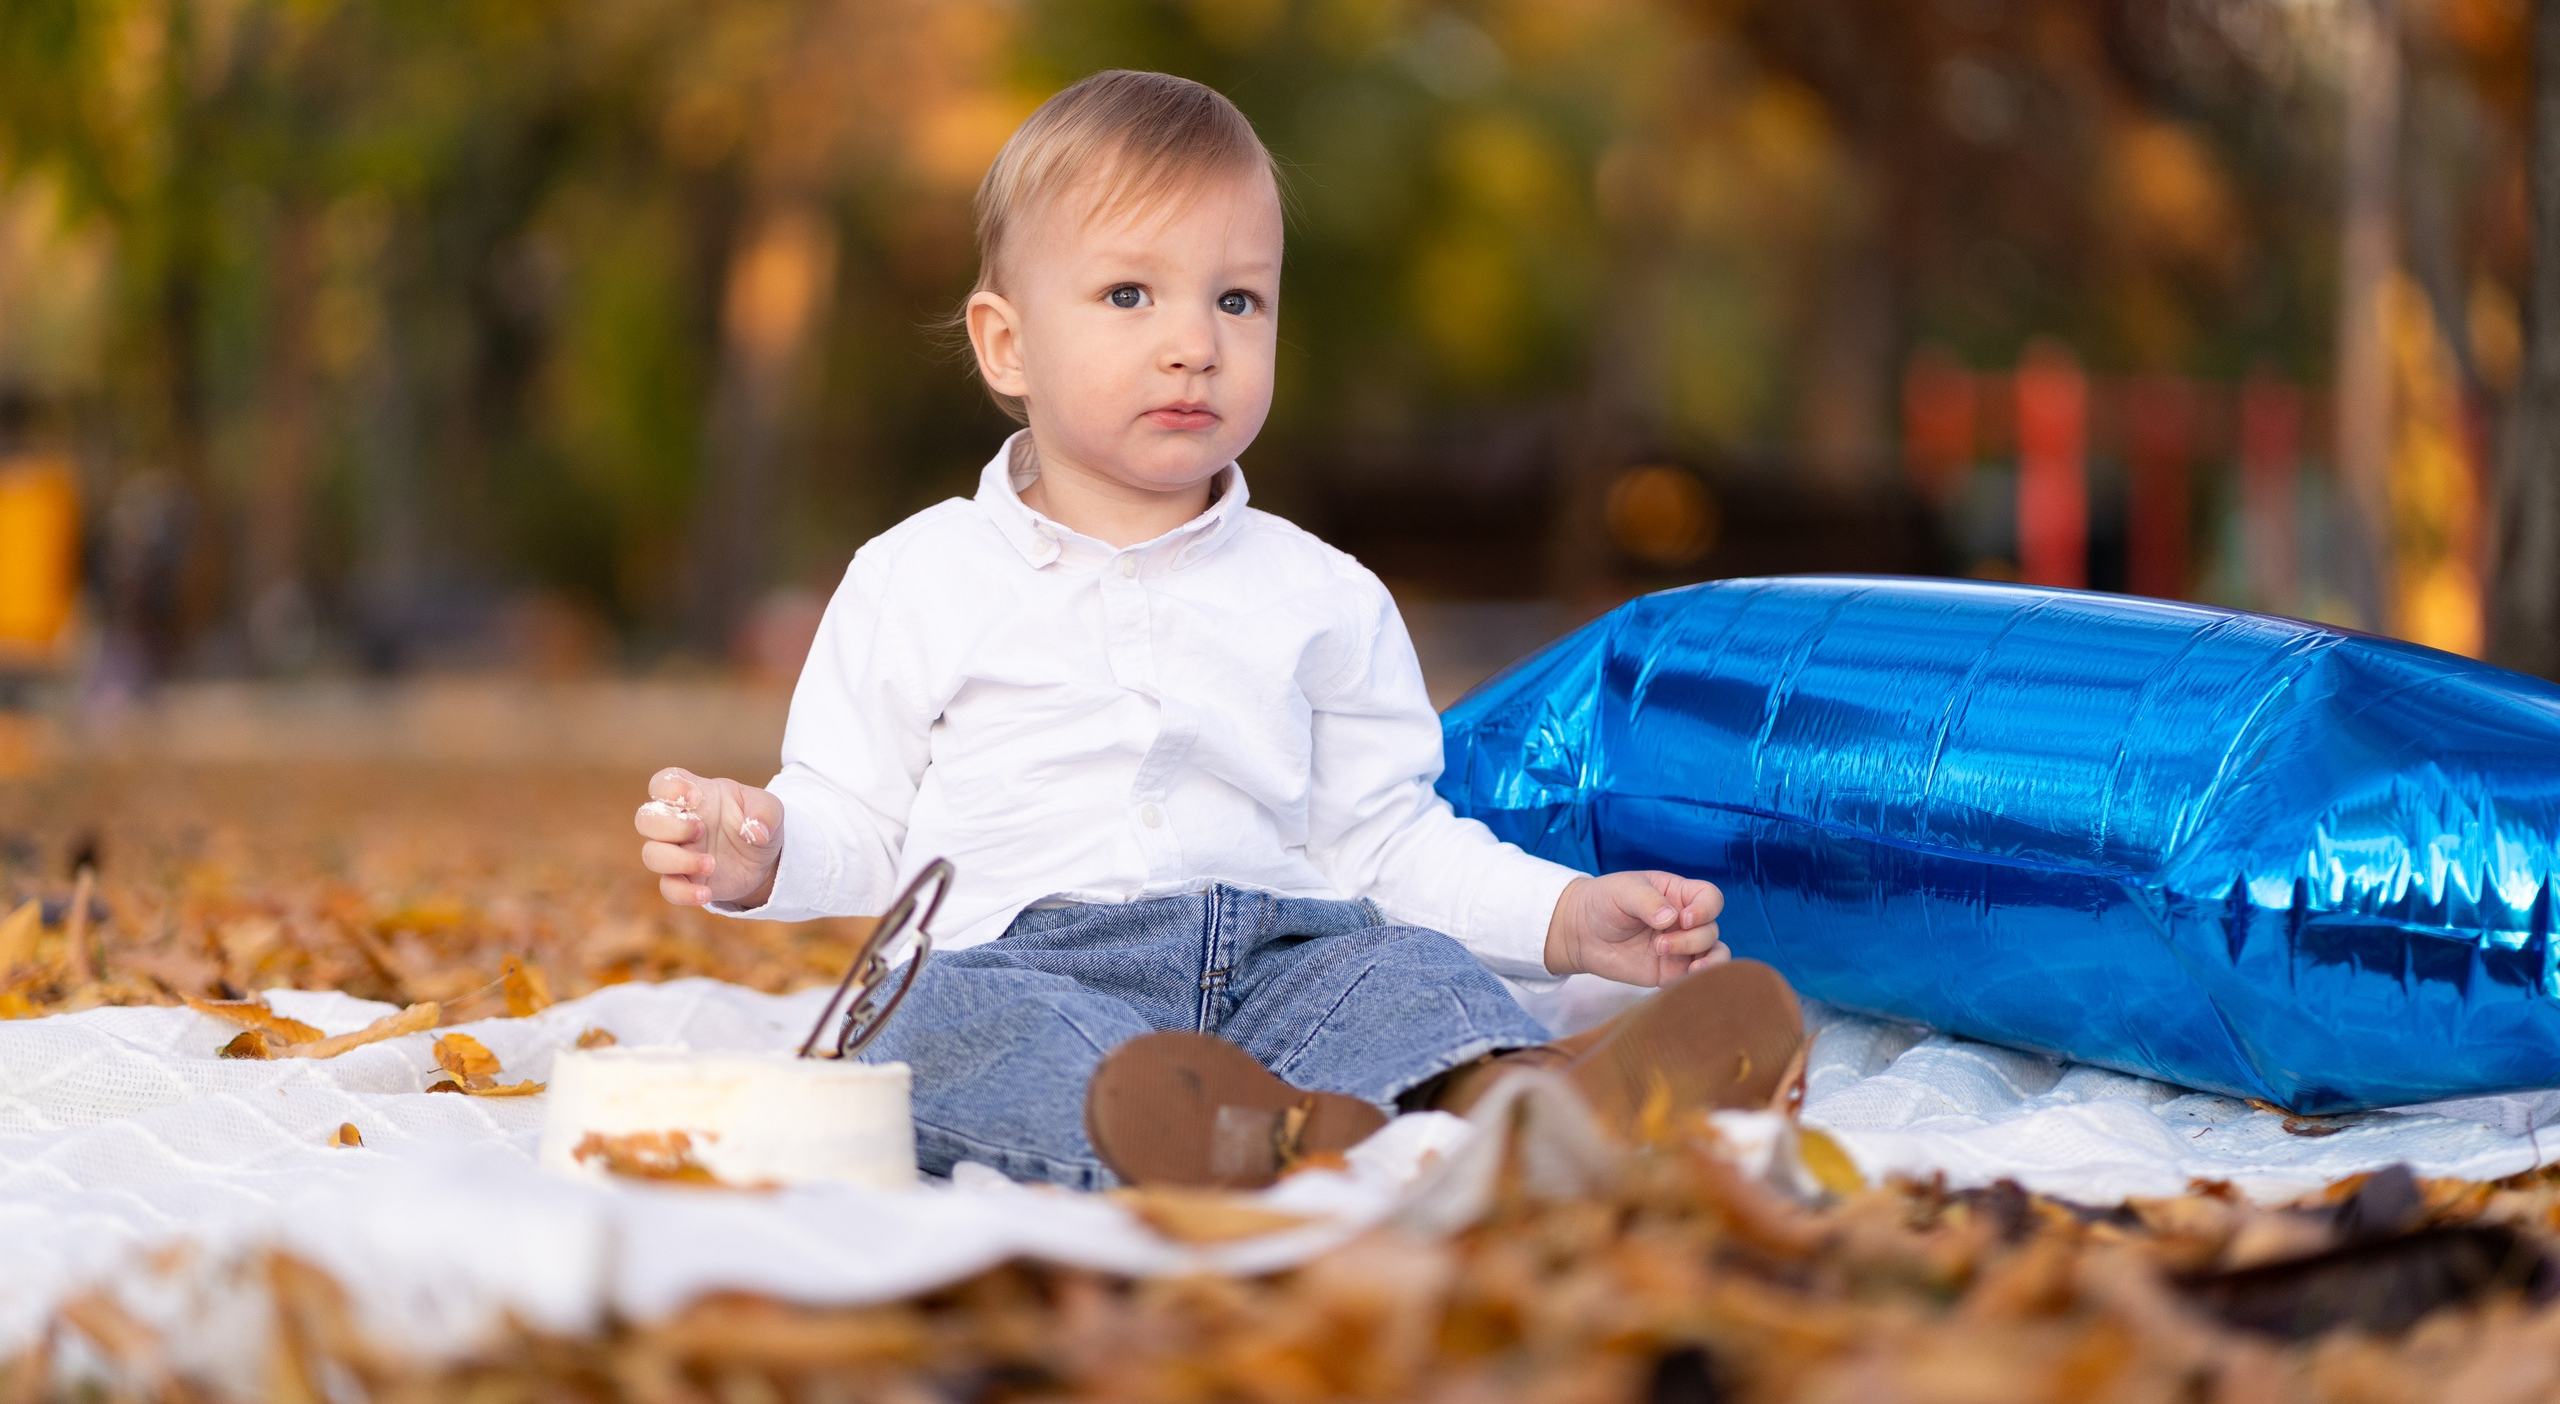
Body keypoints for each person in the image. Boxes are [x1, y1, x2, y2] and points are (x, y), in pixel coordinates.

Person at [635, 70, 1803, 1190]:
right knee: (931, 1020)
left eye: (1237, 298)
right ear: (1007, 344)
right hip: (1028, 967)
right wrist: (766, 849)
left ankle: (1525, 1102)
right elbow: (863, 820)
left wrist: (1563, 916)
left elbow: (1386, 848)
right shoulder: (916, 577)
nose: (1195, 340)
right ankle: (1225, 1134)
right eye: (1129, 295)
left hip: (1277, 963)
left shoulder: (1324, 596)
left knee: (1403, 972)